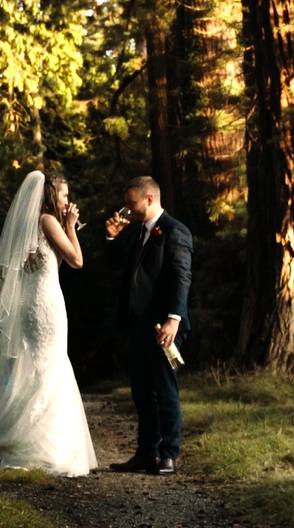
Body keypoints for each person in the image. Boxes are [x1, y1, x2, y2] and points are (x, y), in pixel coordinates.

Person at [0, 170, 97, 477]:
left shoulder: (31, 226)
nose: (68, 201)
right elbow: (77, 261)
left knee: (35, 367)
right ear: (51, 197)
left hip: (30, 303)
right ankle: (44, 449)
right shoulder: (48, 221)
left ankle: (23, 441)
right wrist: (71, 226)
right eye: (64, 195)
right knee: (48, 368)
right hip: (45, 305)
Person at [105, 176, 193, 476]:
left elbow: (182, 277)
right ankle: (146, 453)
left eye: (132, 203)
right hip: (137, 325)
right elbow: (118, 269)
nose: (127, 210)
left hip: (163, 325)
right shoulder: (134, 232)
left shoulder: (174, 231)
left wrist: (173, 319)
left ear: (150, 199)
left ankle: (169, 454)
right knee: (141, 392)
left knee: (165, 390)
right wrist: (113, 237)